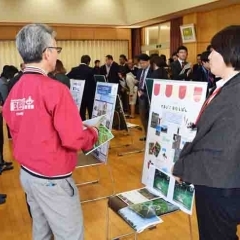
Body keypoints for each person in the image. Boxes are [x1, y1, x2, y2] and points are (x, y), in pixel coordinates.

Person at [3, 23, 99, 240]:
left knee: (41, 230)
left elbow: (15, 123)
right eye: (56, 49)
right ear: (47, 53)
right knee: (71, 235)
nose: (56, 54)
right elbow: (74, 138)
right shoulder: (55, 89)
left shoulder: (16, 87)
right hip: (52, 178)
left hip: (28, 173)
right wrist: (92, 134)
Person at [173, 25, 240, 240]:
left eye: (213, 50)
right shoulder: (229, 87)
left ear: (229, 52)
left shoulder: (233, 94)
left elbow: (214, 145)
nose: (209, 56)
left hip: (219, 183)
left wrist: (182, 166)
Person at [67, 55, 96, 120]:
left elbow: (67, 78)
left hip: (79, 96)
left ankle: (82, 128)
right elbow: (95, 83)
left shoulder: (74, 69)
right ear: (88, 62)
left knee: (81, 114)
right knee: (91, 113)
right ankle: (91, 128)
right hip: (90, 96)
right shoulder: (91, 70)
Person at [136, 54, 152, 141]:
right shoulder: (139, 71)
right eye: (140, 63)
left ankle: (151, 135)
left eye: (143, 63)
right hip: (140, 94)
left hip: (148, 95)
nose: (142, 65)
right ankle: (146, 134)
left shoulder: (152, 71)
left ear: (148, 61)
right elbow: (139, 81)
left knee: (149, 116)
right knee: (142, 115)